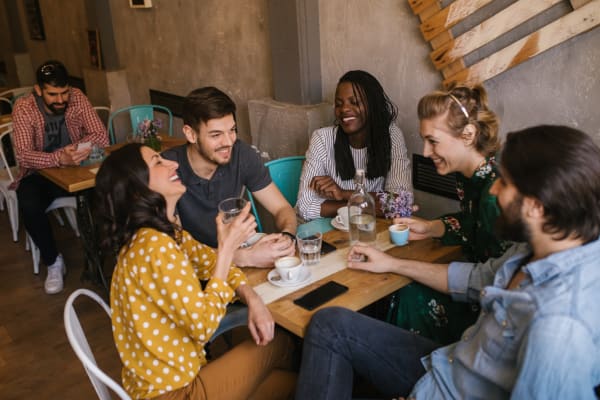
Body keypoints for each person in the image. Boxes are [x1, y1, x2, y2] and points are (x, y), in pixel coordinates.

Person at [296, 125, 600, 400]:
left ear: (535, 206)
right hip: (449, 364)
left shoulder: (559, 328)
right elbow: (475, 279)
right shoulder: (536, 249)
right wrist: (391, 263)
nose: (493, 190)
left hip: (445, 390)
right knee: (329, 324)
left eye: (504, 183)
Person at [95, 143, 296, 400]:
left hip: (181, 378)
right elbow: (203, 326)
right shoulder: (154, 246)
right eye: (158, 162)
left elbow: (210, 261)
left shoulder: (163, 234)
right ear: (137, 189)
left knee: (294, 384)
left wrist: (252, 298)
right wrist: (226, 249)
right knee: (281, 342)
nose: (173, 164)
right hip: (175, 393)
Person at [379, 84, 511, 344]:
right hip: (474, 283)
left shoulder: (495, 195)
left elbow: (499, 281)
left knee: (406, 295)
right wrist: (430, 227)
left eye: (433, 141)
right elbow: (472, 223)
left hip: (492, 316)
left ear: (468, 135)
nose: (426, 152)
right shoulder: (469, 177)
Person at [162, 87, 296, 268]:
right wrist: (243, 257)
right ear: (191, 134)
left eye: (232, 130)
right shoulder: (168, 171)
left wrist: (286, 238)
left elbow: (282, 208)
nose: (228, 142)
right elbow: (175, 252)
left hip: (243, 256)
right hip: (196, 273)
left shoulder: (242, 154)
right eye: (216, 135)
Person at [11, 59, 108, 294]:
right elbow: (24, 156)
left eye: (64, 93)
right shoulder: (24, 108)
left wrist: (71, 152)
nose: (61, 100)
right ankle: (53, 261)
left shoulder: (78, 97)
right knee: (29, 204)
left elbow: (101, 136)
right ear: (38, 90)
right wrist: (58, 158)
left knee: (112, 190)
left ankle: (107, 255)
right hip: (40, 174)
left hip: (78, 168)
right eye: (53, 94)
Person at [296, 70, 411, 221]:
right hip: (327, 230)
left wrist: (343, 194)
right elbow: (305, 207)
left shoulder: (391, 136)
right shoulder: (322, 139)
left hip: (368, 230)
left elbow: (400, 205)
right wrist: (367, 205)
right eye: (339, 104)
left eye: (355, 102)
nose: (344, 109)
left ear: (373, 105)